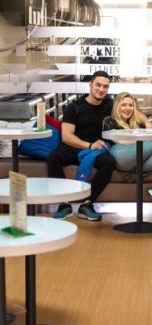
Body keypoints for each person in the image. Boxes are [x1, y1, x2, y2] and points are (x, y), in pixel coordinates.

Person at [47, 70, 116, 221]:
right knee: (54, 156)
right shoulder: (75, 107)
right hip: (76, 147)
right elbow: (66, 136)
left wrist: (147, 122)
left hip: (97, 151)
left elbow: (133, 111)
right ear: (90, 85)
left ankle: (87, 205)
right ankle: (64, 204)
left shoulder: (110, 106)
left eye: (105, 86)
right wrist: (89, 145)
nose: (101, 89)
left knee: (109, 162)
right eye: (98, 85)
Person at [103, 92, 152, 223]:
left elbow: (143, 122)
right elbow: (122, 141)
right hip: (122, 157)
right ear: (116, 106)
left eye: (131, 105)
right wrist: (144, 138)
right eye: (124, 105)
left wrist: (147, 125)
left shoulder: (134, 122)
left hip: (140, 161)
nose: (128, 108)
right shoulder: (109, 120)